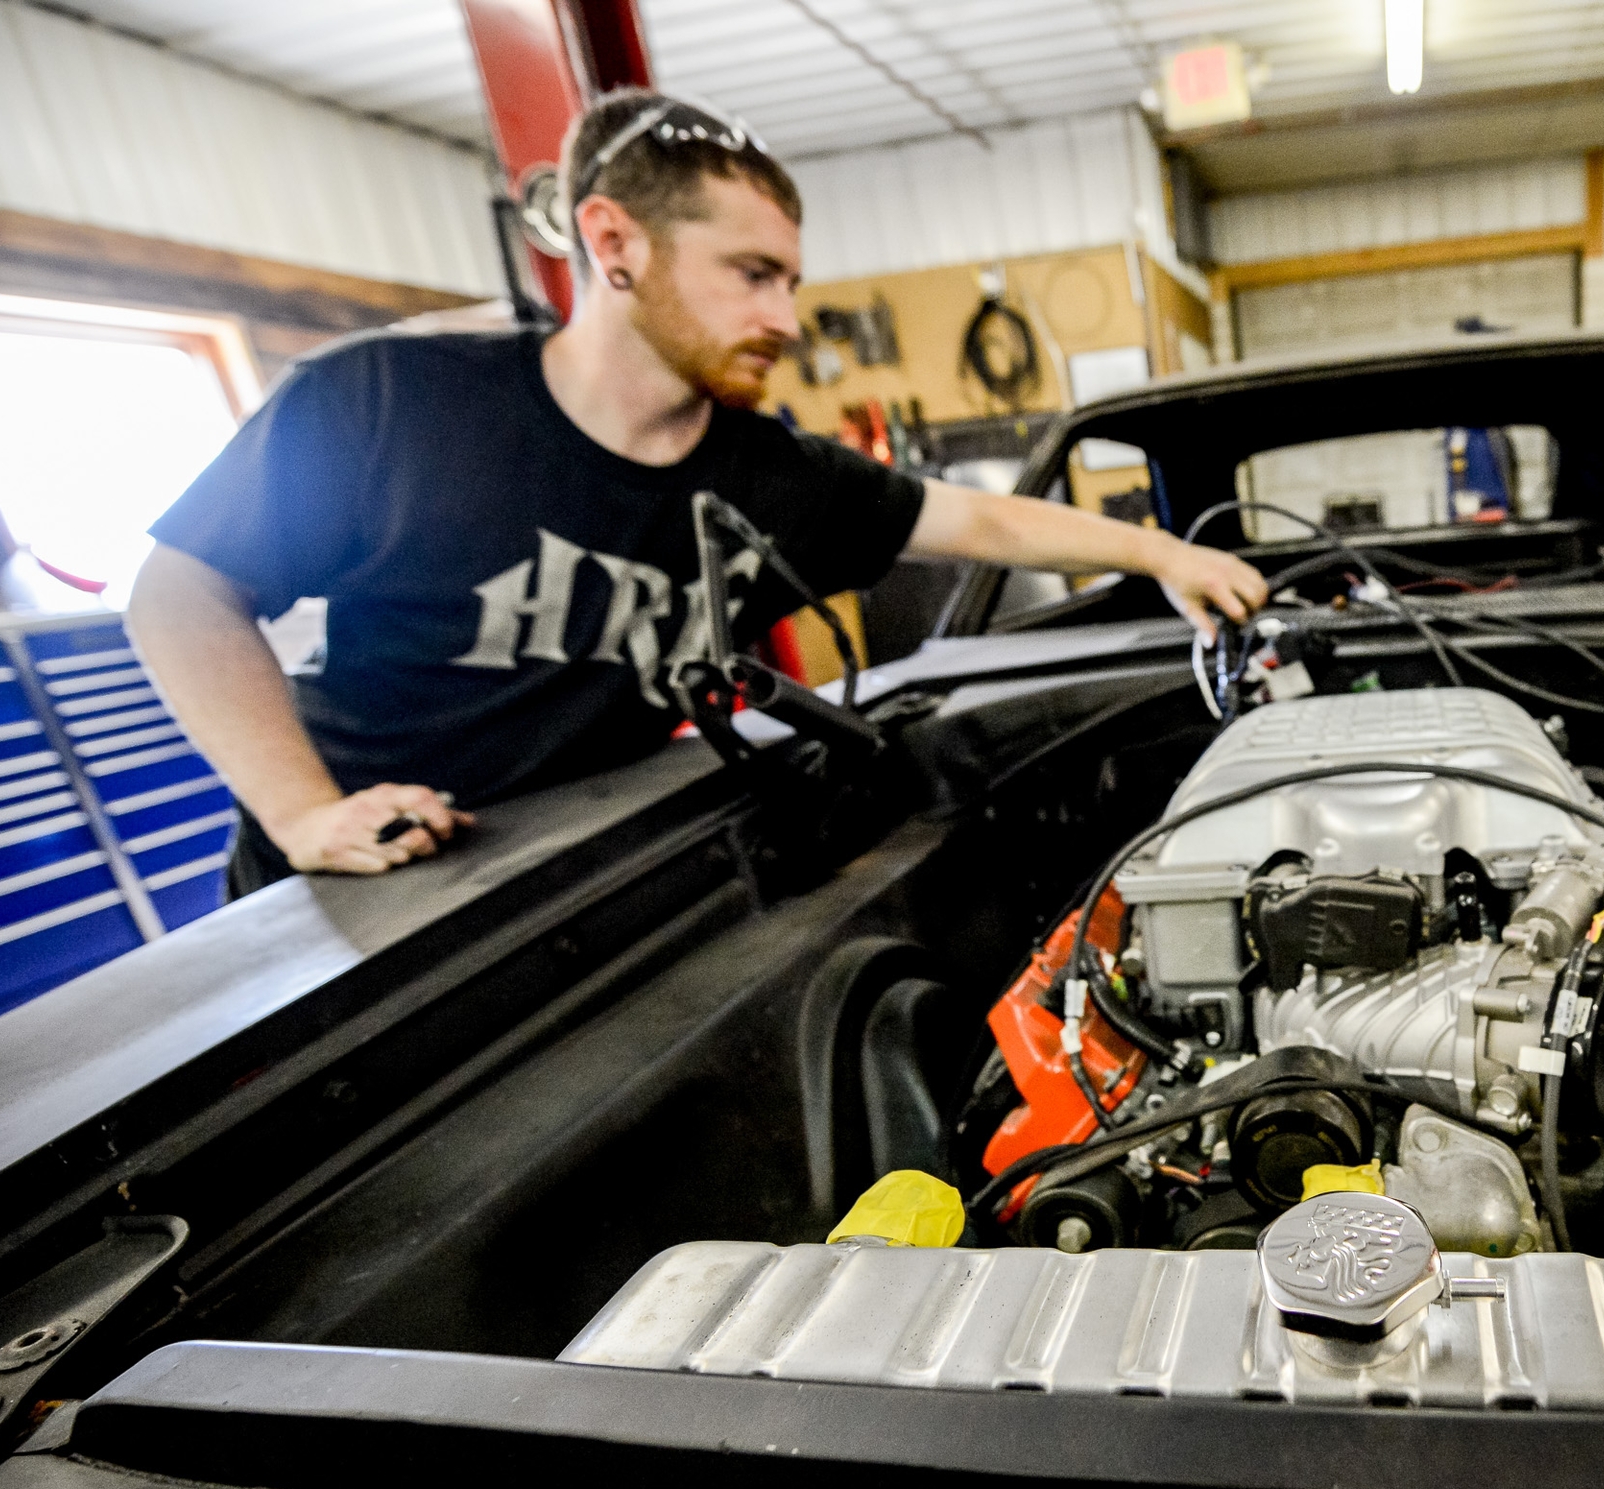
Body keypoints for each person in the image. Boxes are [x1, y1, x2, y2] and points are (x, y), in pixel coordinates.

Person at [128, 90, 1266, 895]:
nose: (783, 315)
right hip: (364, 891)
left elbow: (972, 517)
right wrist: (302, 812)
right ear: (614, 243)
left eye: (791, 280)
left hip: (595, 869)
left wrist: (1167, 555)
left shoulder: (768, 472)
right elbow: (180, 595)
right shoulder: (391, 403)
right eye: (752, 274)